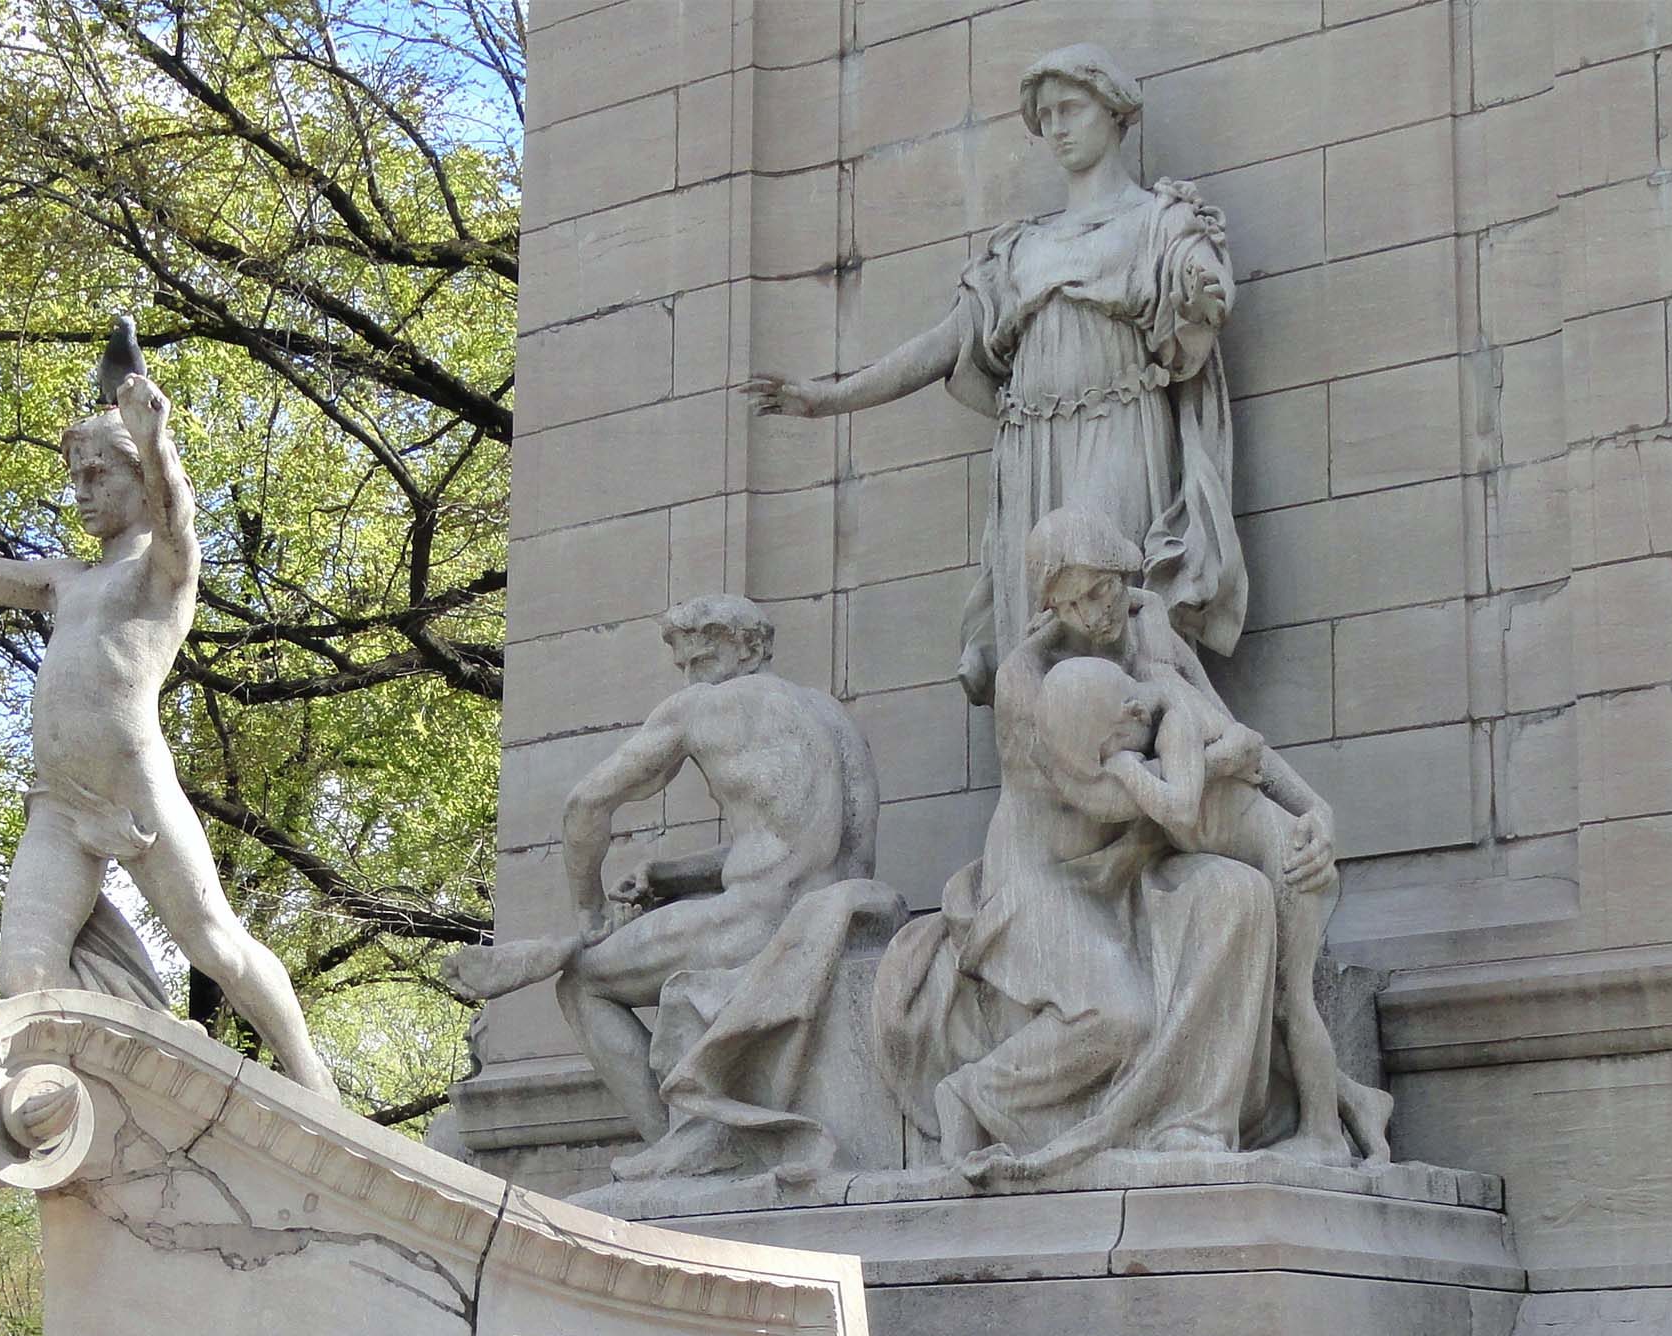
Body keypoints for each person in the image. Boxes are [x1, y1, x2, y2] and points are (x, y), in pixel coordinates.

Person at [0, 374, 336, 1097]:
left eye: (97, 473)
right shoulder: (62, 579)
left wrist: (156, 442)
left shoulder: (161, 571)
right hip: (58, 802)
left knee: (214, 943)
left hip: (131, 787)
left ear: (138, 478)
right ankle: (98, 1096)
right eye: (74, 475)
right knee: (23, 977)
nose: (80, 490)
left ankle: (315, 1087)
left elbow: (179, 522)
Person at [876, 509, 1388, 1180]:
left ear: (1124, 573)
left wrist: (1314, 811)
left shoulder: (1152, 627)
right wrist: (1200, 764)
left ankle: (1194, 1128)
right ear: (1050, 606)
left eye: (1104, 590)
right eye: (1073, 602)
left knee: (1240, 893)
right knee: (1121, 1017)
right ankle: (975, 1092)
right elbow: (1106, 796)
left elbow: (1232, 734)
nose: (1095, 614)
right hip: (1046, 871)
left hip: (1140, 854)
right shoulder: (1026, 681)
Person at [744, 42, 1244, 702]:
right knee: (1035, 630)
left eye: (1071, 108)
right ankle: (1051, 789)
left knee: (1100, 603)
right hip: (1030, 449)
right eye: (1045, 116)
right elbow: (941, 345)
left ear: (1116, 112)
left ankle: (1138, 785)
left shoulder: (1161, 221)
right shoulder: (1022, 247)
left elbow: (1203, 295)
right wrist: (827, 398)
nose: (1057, 127)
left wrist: (1204, 295)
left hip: (1118, 428)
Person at [441, 595, 877, 1142]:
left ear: (748, 649)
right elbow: (791, 844)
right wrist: (671, 875)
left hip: (760, 923)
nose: (692, 679)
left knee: (583, 982)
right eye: (685, 667)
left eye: (703, 662)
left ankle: (677, 1149)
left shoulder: (699, 709)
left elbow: (585, 807)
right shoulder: (833, 719)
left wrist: (589, 910)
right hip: (841, 918)